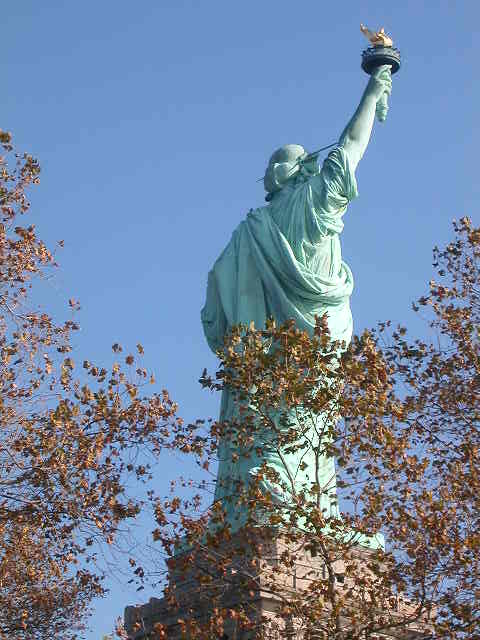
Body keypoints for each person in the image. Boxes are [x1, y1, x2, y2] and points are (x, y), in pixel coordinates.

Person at [201, 65, 393, 532]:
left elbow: (215, 311)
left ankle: (265, 507)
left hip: (261, 362)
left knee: (268, 437)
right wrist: (375, 90)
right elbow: (351, 145)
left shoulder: (250, 232)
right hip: (317, 349)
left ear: (276, 176)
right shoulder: (316, 203)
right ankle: (306, 510)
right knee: (310, 435)